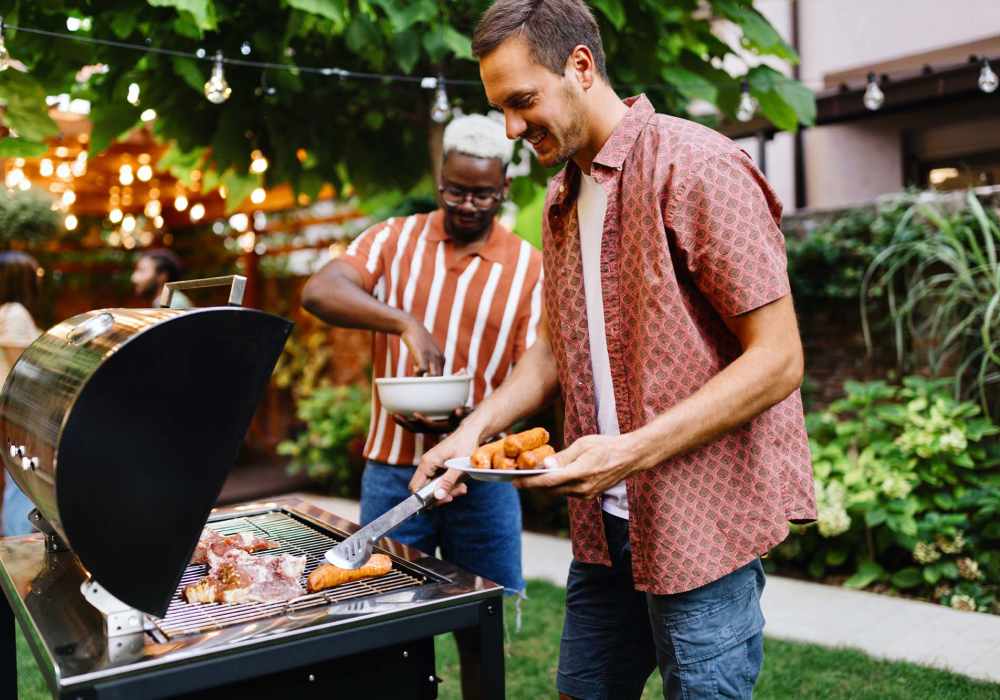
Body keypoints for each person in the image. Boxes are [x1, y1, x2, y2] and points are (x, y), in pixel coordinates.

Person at [414, 2, 817, 699]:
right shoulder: (560, 198)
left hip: (702, 529)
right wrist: (472, 433)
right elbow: (552, 349)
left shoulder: (698, 166)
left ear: (579, 65)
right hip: (604, 528)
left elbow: (778, 359)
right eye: (501, 109)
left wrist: (625, 453)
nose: (511, 129)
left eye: (522, 101)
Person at [301, 114, 544, 700]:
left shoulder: (529, 267)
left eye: (482, 193)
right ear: (440, 182)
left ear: (504, 188)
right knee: (385, 627)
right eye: (456, 190)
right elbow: (319, 291)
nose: (467, 204)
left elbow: (533, 373)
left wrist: (467, 431)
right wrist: (404, 321)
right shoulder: (393, 239)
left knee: (478, 622)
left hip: (480, 478)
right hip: (392, 473)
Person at [0, 252, 43, 536]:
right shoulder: (15, 311)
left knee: (15, 478)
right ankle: (16, 545)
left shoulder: (6, 310)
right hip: (17, 408)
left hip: (8, 407)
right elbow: (24, 366)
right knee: (21, 481)